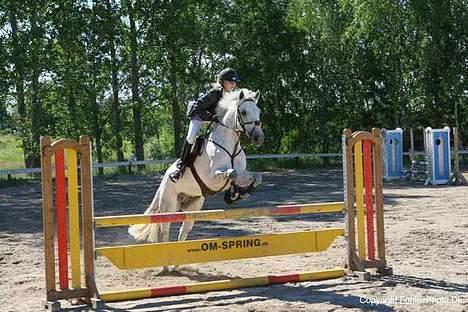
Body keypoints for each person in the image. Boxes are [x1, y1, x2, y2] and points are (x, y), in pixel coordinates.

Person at [169, 68, 240, 182]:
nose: (233, 84)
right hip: (199, 116)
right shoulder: (214, 94)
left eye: (234, 82)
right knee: (191, 137)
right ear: (222, 82)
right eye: (230, 81)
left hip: (213, 119)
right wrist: (210, 117)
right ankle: (180, 166)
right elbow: (198, 107)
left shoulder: (232, 96)